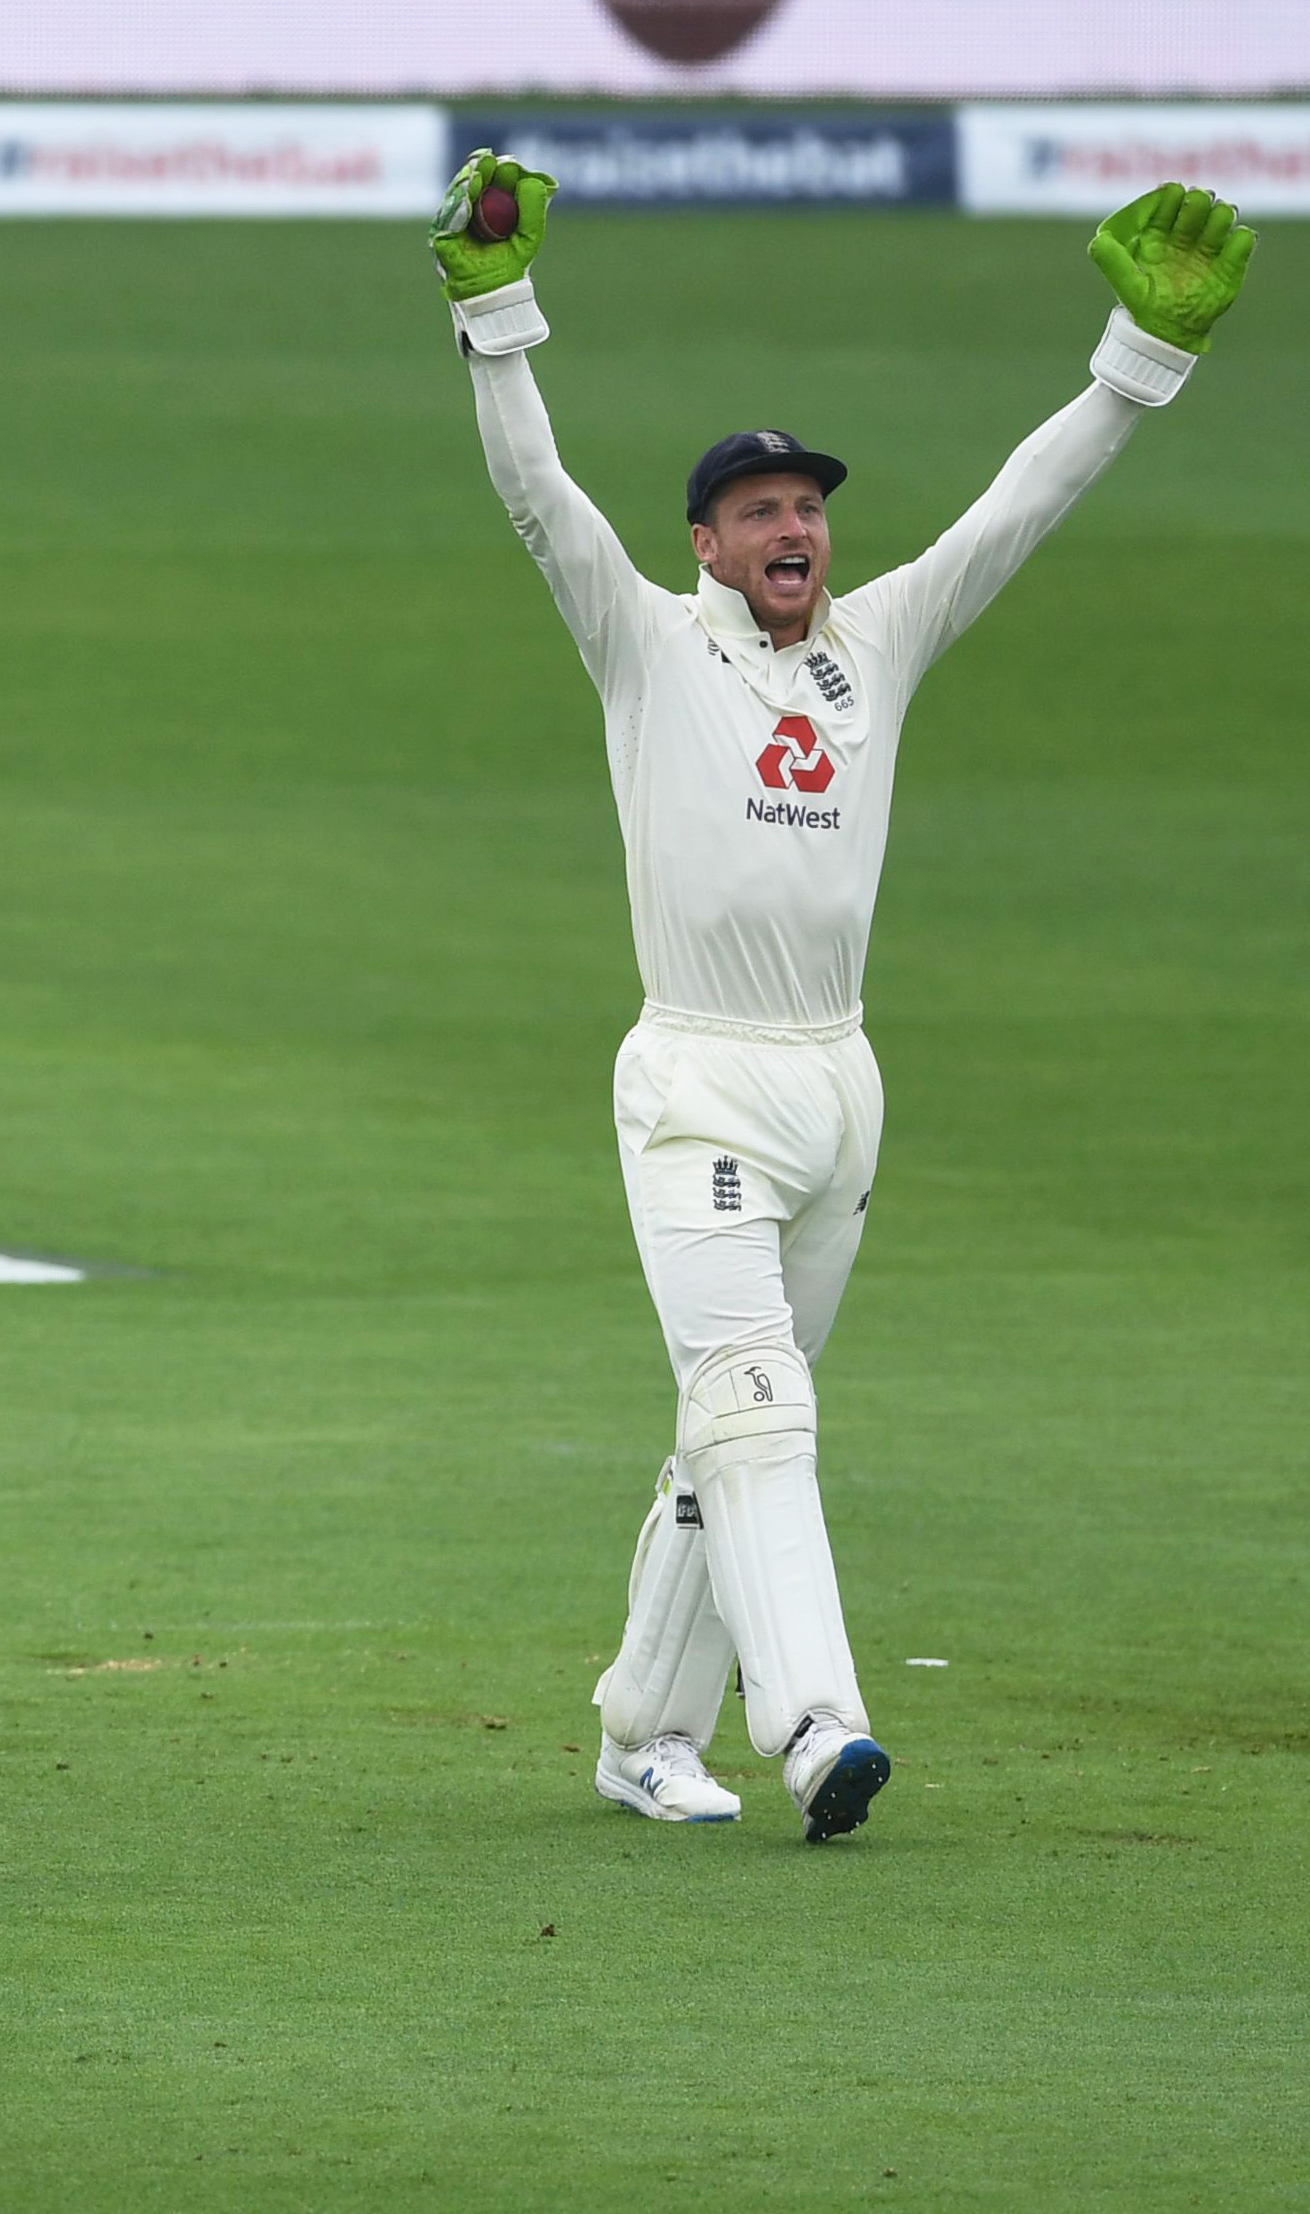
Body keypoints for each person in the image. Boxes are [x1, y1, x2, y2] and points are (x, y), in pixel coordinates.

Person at [433, 158, 1257, 1840]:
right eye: (756, 511)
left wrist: (1131, 359)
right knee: (755, 1401)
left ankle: (636, 1729)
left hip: (837, 1084)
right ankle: (814, 1726)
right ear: (701, 544)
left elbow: (1012, 512)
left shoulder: (868, 646)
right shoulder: (644, 643)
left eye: (806, 505)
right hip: (695, 1076)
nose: (791, 526)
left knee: (724, 1430)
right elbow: (534, 498)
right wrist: (491, 313)